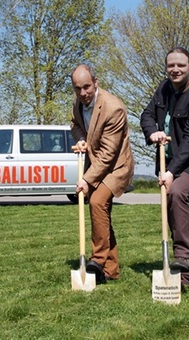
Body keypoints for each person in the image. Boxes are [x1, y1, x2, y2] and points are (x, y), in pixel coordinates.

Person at [140, 47, 189, 287]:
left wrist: (172, 172)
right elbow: (146, 116)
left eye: (181, 65)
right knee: (175, 212)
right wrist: (153, 133)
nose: (175, 69)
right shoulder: (163, 89)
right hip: (169, 161)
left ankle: (181, 255)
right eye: (171, 65)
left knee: (176, 193)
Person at [70, 64, 135, 284]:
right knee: (102, 214)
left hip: (116, 167)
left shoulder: (113, 108)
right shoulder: (78, 103)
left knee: (97, 202)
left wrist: (86, 180)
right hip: (96, 163)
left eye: (86, 87)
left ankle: (97, 260)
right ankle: (111, 269)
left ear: (95, 82)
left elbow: (109, 154)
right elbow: (74, 124)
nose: (83, 93)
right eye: (77, 88)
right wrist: (81, 139)